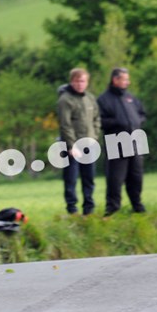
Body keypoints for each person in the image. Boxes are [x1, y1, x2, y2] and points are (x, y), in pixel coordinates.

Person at [97, 68, 147, 216]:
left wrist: (138, 121)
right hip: (116, 140)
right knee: (116, 177)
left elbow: (142, 114)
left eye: (127, 79)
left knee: (136, 175)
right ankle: (112, 208)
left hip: (136, 138)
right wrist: (118, 122)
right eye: (124, 79)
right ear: (115, 80)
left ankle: (137, 205)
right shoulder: (103, 99)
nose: (128, 82)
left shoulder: (130, 97)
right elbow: (99, 120)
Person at [57, 68, 100, 215]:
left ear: (87, 82)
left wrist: (95, 137)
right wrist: (71, 145)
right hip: (72, 147)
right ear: (72, 81)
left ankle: (89, 209)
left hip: (89, 144)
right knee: (71, 179)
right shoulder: (65, 99)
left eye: (82, 81)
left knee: (89, 178)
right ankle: (72, 209)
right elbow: (65, 124)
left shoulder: (90, 98)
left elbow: (96, 118)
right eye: (77, 81)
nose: (80, 84)